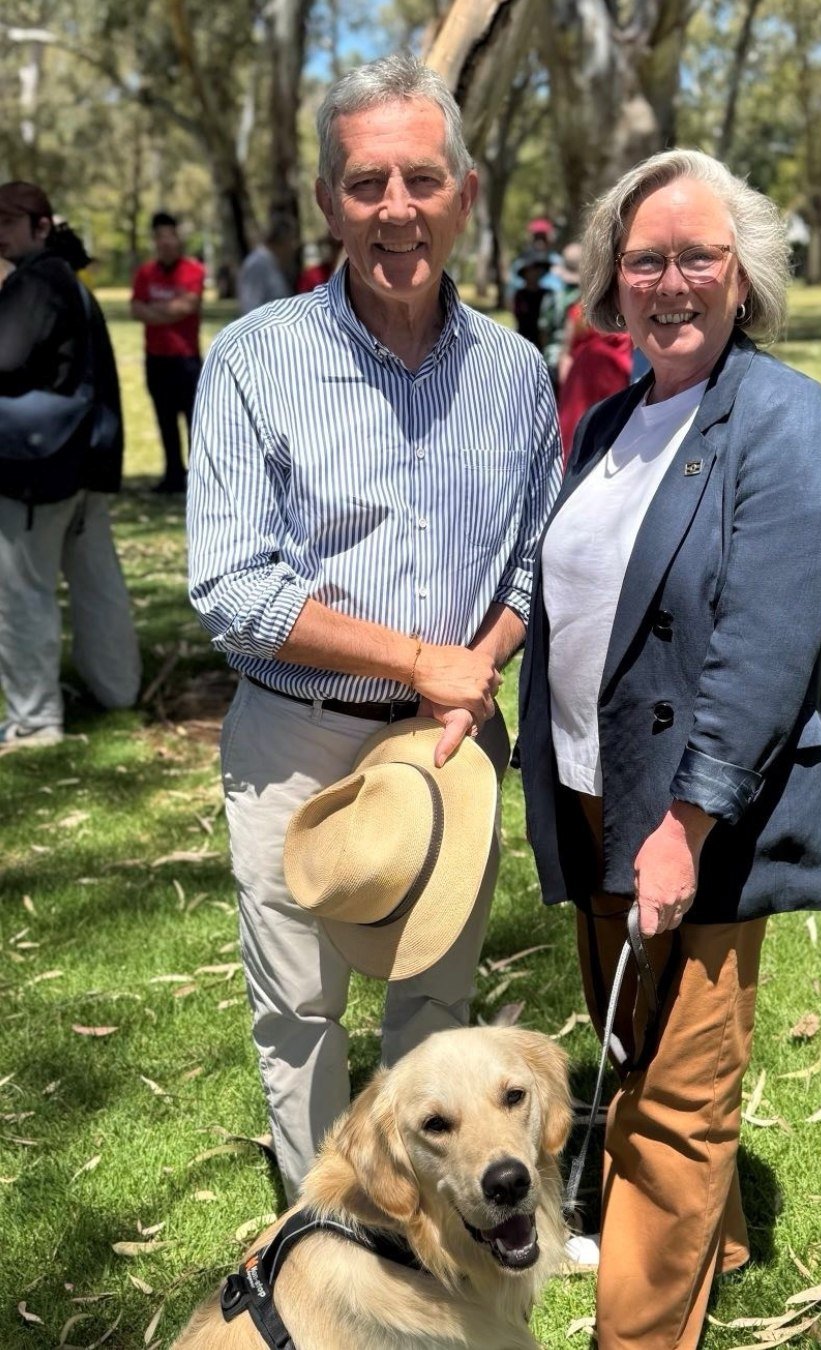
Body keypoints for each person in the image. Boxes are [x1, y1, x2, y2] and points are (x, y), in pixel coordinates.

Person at [186, 54, 561, 1205]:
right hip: (296, 739)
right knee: (298, 1013)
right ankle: (326, 1237)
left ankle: (437, 1243)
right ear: (327, 201)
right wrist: (418, 660)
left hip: (448, 747)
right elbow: (233, 584)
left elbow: (533, 564)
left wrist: (478, 667)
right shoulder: (256, 361)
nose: (395, 208)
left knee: (435, 1010)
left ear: (466, 190)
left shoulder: (516, 373)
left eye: (420, 178)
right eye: (365, 183)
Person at [518, 149, 821, 1348]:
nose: (670, 283)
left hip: (693, 818)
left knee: (671, 1096)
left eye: (697, 257)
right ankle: (709, 1236)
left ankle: (642, 1333)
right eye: (645, 259)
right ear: (616, 277)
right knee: (628, 1040)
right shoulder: (615, 415)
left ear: (744, 273)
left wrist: (688, 821)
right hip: (589, 791)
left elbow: (768, 645)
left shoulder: (784, 417)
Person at [0, 181, 140, 751]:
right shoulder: (66, 280)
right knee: (95, 581)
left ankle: (34, 722)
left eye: (10, 221)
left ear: (41, 226)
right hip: (81, 462)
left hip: (36, 469)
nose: (0, 231)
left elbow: (5, 358)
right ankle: (117, 691)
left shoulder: (36, 279)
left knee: (21, 589)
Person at [130, 211, 204, 494]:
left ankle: (200, 477)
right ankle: (173, 474)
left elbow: (188, 306)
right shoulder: (145, 273)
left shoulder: (192, 270)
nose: (165, 242)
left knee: (194, 420)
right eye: (159, 237)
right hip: (156, 358)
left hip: (185, 358)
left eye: (169, 236)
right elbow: (136, 309)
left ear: (177, 238)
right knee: (164, 419)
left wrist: (155, 311)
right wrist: (167, 311)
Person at [556, 294, 633, 463]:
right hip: (583, 381)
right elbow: (567, 351)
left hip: (616, 380)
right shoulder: (581, 309)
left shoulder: (633, 306)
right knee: (576, 428)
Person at [538, 241, 583, 386]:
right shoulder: (589, 300)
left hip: (552, 359)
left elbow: (543, 330)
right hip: (580, 363)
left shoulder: (552, 298)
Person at [236, 221, 294, 315]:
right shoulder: (257, 264)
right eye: (290, 242)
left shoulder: (271, 263)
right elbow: (250, 308)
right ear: (281, 242)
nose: (292, 249)